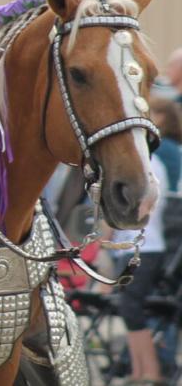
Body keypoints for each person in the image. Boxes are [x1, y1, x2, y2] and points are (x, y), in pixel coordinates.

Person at [113, 154, 169, 384]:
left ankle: (150, 371)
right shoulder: (151, 163)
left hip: (144, 246)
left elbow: (146, 205)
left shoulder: (150, 164)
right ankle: (139, 371)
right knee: (129, 310)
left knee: (132, 309)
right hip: (132, 245)